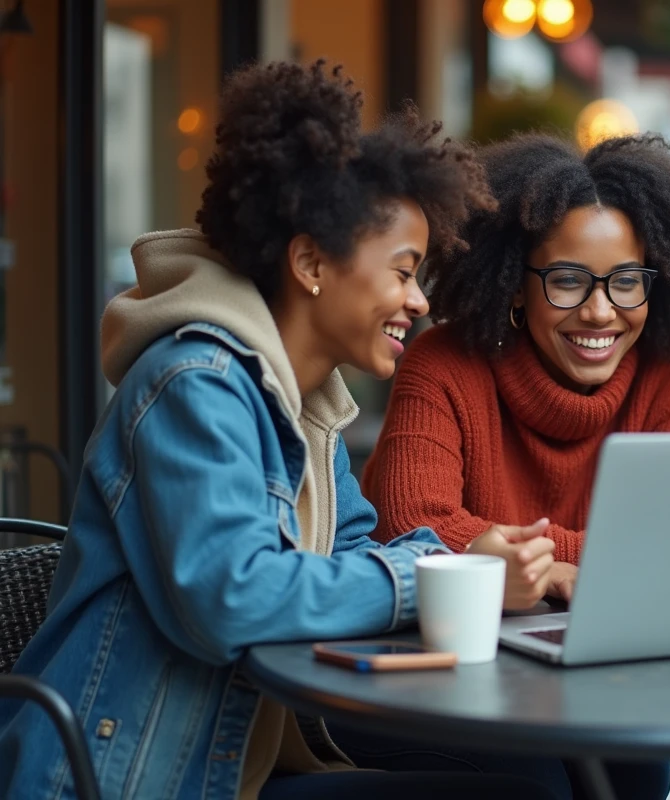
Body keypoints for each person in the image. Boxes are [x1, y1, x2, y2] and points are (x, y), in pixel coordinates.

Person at [0, 61, 563, 800]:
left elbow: (353, 550)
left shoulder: (303, 402)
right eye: (403, 272)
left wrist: (468, 567)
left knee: (537, 775)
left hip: (232, 760)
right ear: (311, 264)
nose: (420, 301)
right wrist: (432, 580)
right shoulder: (194, 383)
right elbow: (232, 596)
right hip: (125, 779)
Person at [343, 132, 670, 800]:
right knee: (540, 785)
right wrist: (578, 564)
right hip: (450, 681)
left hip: (601, 682)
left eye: (626, 282)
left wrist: (516, 553)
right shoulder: (444, 363)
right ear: (516, 287)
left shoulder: (669, 379)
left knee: (639, 774)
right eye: (567, 281)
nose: (600, 311)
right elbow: (411, 526)